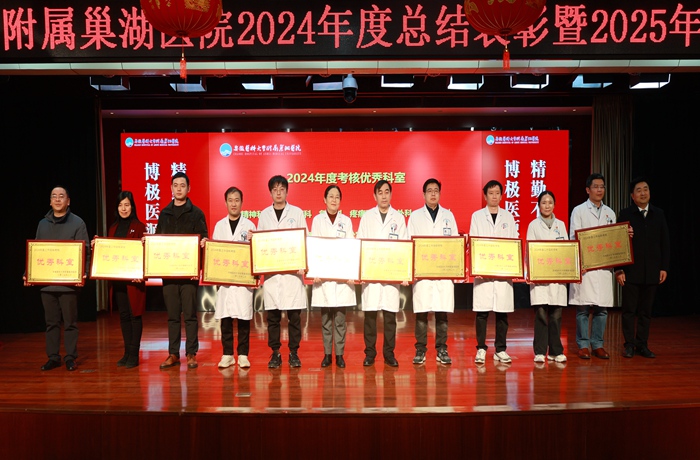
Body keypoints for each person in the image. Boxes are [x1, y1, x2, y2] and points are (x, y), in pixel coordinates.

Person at [30, 186, 90, 371]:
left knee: (70, 323)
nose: (57, 199)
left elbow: (86, 251)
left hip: (69, 284)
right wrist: (29, 272)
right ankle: (53, 357)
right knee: (51, 323)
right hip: (47, 283)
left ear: (68, 201)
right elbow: (36, 252)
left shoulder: (78, 223)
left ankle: (70, 357)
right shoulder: (42, 224)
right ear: (50, 201)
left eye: (61, 196)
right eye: (54, 196)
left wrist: (84, 272)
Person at [156, 172, 208, 370]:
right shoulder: (164, 213)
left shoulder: (197, 213)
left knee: (190, 315)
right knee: (172, 315)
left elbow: (203, 239)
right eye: (175, 185)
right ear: (171, 188)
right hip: (169, 272)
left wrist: (203, 245)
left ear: (189, 188)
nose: (179, 189)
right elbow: (158, 240)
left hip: (189, 273)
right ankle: (173, 354)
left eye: (182, 185)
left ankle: (191, 353)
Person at [615, 177, 670, 358]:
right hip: (631, 270)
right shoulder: (625, 214)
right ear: (632, 196)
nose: (643, 193)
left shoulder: (658, 213)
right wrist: (619, 269)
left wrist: (664, 267)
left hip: (652, 270)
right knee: (629, 311)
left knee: (646, 312)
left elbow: (665, 242)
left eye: (645, 189)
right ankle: (629, 344)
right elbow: (617, 243)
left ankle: (642, 344)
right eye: (638, 190)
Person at [258, 175, 309, 369]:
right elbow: (260, 244)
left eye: (281, 189)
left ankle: (294, 353)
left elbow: (304, 240)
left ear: (287, 191)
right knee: (273, 318)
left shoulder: (297, 212)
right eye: (275, 189)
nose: (278, 193)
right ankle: (275, 353)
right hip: (272, 276)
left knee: (294, 318)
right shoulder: (264, 215)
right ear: (270, 192)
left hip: (292, 276)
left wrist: (303, 262)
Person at [356, 179, 408, 367]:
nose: (384, 196)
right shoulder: (367, 217)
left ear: (391, 194)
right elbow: (360, 243)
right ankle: (370, 354)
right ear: (375, 196)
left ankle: (389, 354)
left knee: (390, 317)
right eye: (380, 192)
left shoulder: (399, 218)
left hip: (390, 276)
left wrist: (404, 273)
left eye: (387, 192)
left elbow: (404, 246)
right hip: (371, 275)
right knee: (370, 317)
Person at [407, 178, 458, 365]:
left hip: (443, 273)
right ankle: (420, 350)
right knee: (421, 313)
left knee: (442, 313)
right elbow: (409, 244)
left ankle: (441, 349)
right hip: (423, 273)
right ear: (423, 194)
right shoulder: (415, 216)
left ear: (440, 193)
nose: (433, 194)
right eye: (429, 191)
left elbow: (455, 244)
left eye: (436, 190)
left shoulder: (448, 216)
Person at [468, 180, 518, 365]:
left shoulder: (508, 217)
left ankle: (501, 349)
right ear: (485, 196)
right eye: (491, 193)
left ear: (502, 195)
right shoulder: (477, 216)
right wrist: (477, 266)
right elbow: (473, 241)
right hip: (484, 273)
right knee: (482, 313)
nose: (494, 196)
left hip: (503, 273)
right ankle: (481, 348)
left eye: (497, 193)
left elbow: (514, 242)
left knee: (502, 312)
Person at [569, 173, 616, 360]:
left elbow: (614, 239)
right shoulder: (579, 211)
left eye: (602, 186)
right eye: (595, 186)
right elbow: (574, 237)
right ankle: (583, 345)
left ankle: (598, 344)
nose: (599, 190)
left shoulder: (610, 213)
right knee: (583, 309)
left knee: (601, 309)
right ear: (588, 190)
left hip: (603, 268)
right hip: (586, 268)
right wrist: (581, 261)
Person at [310, 185, 356, 369]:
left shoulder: (347, 221)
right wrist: (314, 272)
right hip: (323, 278)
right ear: (325, 199)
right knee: (326, 321)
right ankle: (327, 355)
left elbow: (351, 248)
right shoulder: (317, 220)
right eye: (331, 196)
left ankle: (340, 355)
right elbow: (313, 248)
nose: (334, 200)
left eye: (337, 197)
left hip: (342, 279)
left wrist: (352, 274)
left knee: (340, 320)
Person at [212, 187, 257, 369]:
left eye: (237, 200)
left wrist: (254, 240)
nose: (233, 204)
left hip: (243, 281)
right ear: (225, 202)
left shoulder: (250, 226)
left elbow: (256, 254)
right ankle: (227, 354)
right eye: (230, 200)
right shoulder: (219, 226)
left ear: (242, 203)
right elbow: (214, 252)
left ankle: (243, 355)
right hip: (225, 281)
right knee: (226, 318)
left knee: (244, 318)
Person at [105, 191, 147, 369]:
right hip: (119, 280)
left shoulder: (140, 227)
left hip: (134, 281)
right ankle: (127, 352)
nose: (123, 209)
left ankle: (134, 354)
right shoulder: (113, 228)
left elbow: (146, 254)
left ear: (132, 207)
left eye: (127, 205)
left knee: (134, 315)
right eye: (120, 205)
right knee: (123, 316)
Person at [526, 190, 568, 364]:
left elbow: (567, 250)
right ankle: (540, 351)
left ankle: (556, 351)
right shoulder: (533, 225)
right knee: (541, 316)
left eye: (550, 202)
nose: (547, 205)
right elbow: (530, 251)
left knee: (556, 316)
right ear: (538, 205)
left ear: (554, 205)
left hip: (557, 278)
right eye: (544, 202)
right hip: (540, 279)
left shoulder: (561, 225)